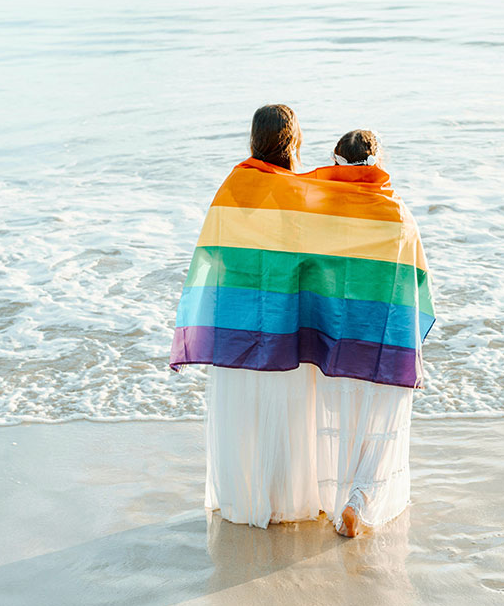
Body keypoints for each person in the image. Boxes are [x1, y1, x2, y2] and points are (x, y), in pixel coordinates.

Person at [170, 105, 435, 537]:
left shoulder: (239, 188)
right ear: (294, 142)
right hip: (359, 334)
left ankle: (263, 500)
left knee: (263, 421)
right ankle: (357, 499)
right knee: (360, 420)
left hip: (250, 331)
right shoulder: (386, 210)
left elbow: (216, 254)